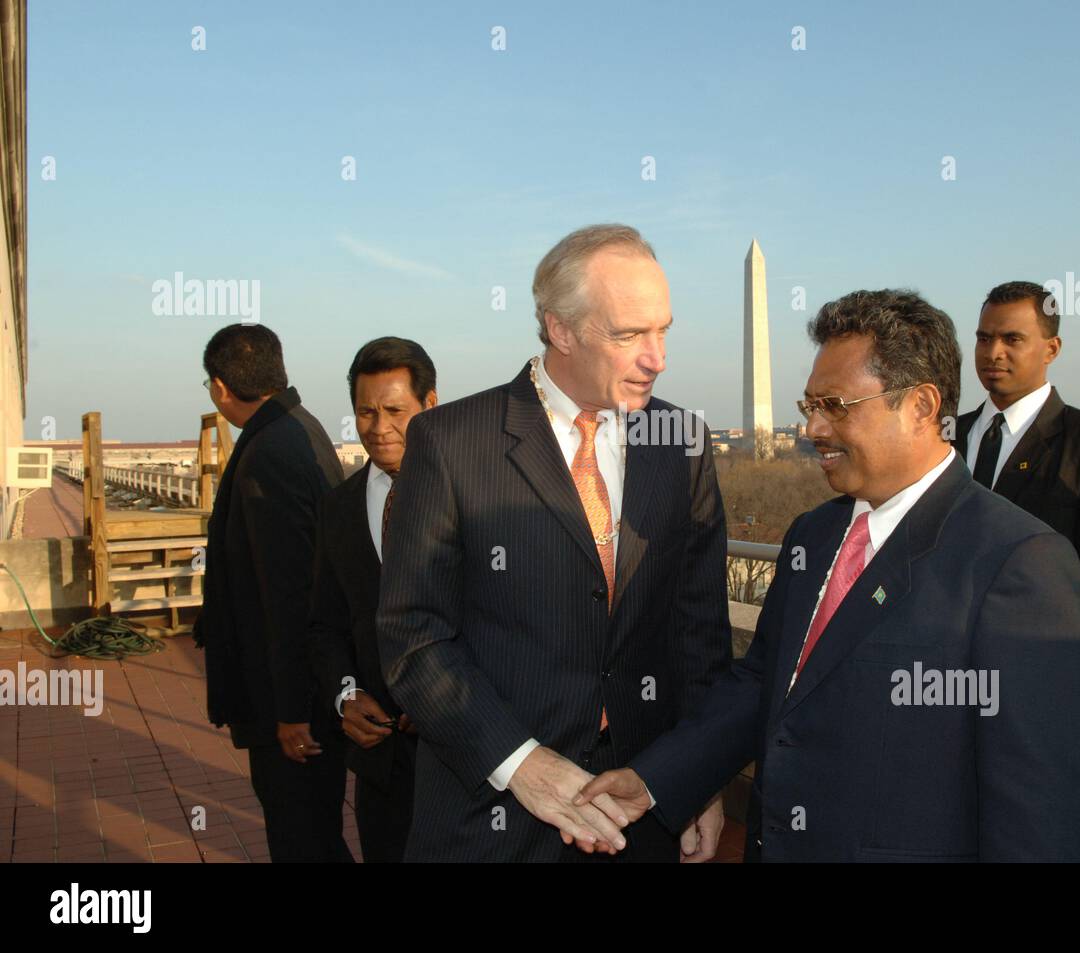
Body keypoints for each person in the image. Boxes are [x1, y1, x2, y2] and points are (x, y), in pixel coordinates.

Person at [577, 289, 1080, 862]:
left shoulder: (1018, 562)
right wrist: (654, 780)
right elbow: (763, 684)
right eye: (809, 405)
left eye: (835, 405)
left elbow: (1045, 815)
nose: (814, 429)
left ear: (922, 407)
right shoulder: (813, 535)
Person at [376, 224, 732, 862]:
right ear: (559, 329)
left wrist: (696, 779)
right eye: (629, 335)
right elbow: (413, 635)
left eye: (664, 330)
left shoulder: (682, 442)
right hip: (492, 815)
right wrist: (524, 765)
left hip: (641, 813)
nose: (658, 357)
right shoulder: (450, 443)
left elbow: (698, 631)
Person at [954, 281, 1080, 749]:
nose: (992, 352)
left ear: (1051, 348)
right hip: (943, 693)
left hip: (1045, 697)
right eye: (983, 338)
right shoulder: (941, 440)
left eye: (1011, 339)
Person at [196, 323, 351, 862]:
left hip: (290, 702)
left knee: (302, 837)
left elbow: (288, 594)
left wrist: (292, 712)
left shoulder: (268, 452)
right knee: (311, 831)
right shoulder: (296, 428)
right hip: (306, 689)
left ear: (220, 388)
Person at [308, 337, 437, 863]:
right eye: (365, 412)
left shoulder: (482, 498)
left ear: (430, 406)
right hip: (380, 764)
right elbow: (324, 623)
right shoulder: (337, 508)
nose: (378, 427)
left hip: (470, 761)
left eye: (394, 410)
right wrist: (344, 695)